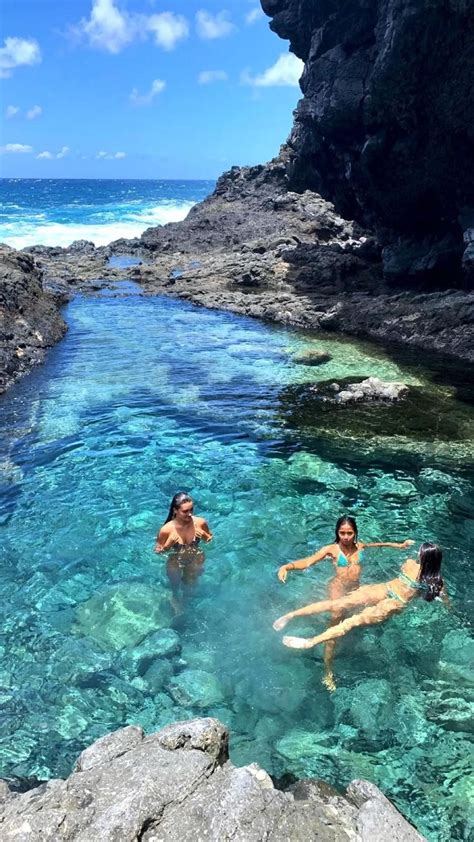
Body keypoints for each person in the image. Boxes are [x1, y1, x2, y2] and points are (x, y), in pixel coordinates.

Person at [277, 515, 414, 691]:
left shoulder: (360, 547)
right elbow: (308, 562)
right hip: (337, 588)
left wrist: (399, 545)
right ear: (337, 532)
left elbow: (379, 545)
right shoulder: (331, 550)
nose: (346, 537)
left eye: (349, 533)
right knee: (335, 621)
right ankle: (327, 671)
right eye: (342, 533)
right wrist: (286, 567)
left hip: (355, 590)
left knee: (366, 618)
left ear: (355, 533)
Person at [274, 542, 446, 652]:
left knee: (343, 612)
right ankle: (300, 628)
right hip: (393, 598)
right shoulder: (436, 582)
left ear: (423, 556)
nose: (417, 553)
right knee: (345, 613)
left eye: (420, 552)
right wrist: (449, 607)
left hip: (386, 593)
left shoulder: (409, 564)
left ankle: (303, 631)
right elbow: (441, 598)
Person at [154, 492, 212, 610]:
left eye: (191, 510)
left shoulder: (200, 523)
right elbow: (158, 552)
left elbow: (210, 540)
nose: (190, 514)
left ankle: (186, 602)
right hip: (175, 560)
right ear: (175, 510)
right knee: (175, 584)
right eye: (185, 511)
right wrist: (169, 544)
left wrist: (205, 536)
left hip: (195, 557)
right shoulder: (166, 530)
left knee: (190, 586)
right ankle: (175, 598)